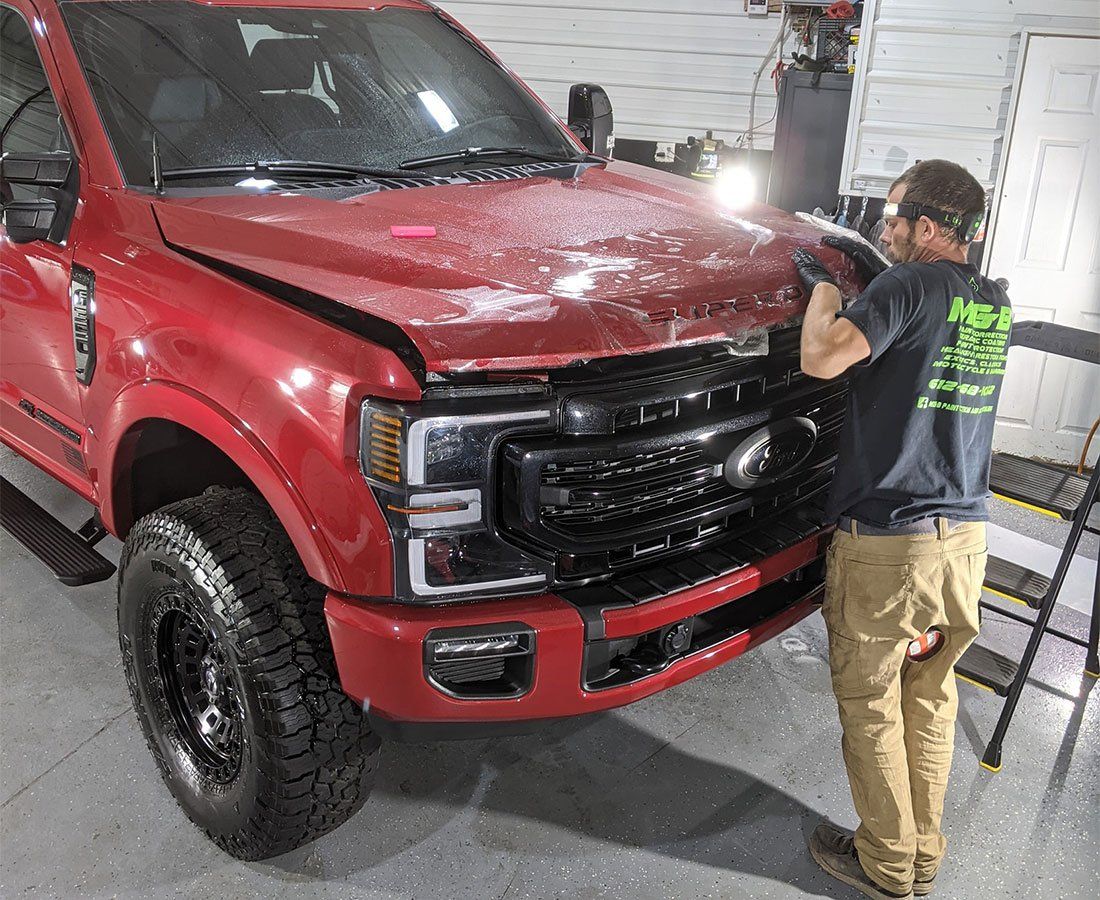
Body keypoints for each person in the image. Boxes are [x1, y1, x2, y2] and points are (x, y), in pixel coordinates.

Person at [791, 159, 1012, 899]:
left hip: (891, 543)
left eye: (890, 219)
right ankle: (922, 854)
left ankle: (885, 864)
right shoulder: (991, 303)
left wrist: (823, 287)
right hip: (965, 543)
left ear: (926, 226)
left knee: (872, 706)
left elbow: (822, 357)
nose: (882, 232)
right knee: (930, 700)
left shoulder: (908, 285)